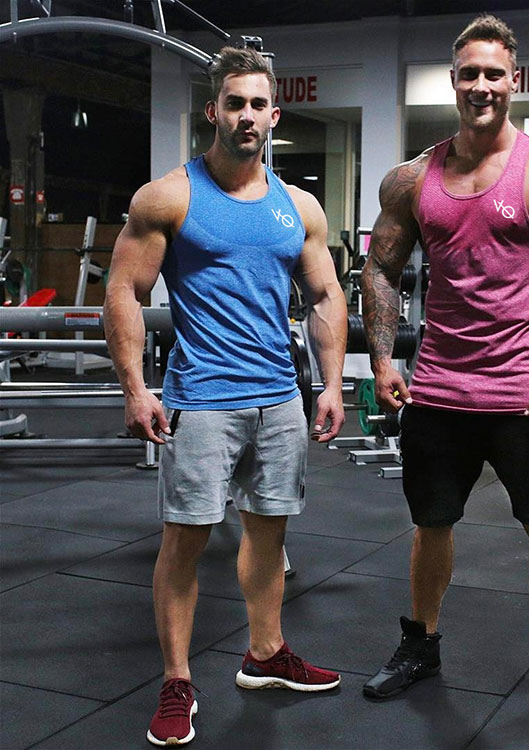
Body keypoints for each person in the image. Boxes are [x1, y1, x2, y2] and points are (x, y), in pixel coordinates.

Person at [360, 15, 529, 734]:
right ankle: (421, 644)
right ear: (453, 80)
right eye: (469, 73)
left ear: (514, 80)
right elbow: (380, 266)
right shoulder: (413, 178)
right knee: (430, 525)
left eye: (493, 74)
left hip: (522, 394)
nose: (481, 86)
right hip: (439, 389)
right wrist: (382, 358)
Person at [103, 46, 348, 747]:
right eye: (234, 103)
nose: (246, 115)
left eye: (258, 104)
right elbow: (123, 290)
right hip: (203, 398)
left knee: (270, 532)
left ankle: (265, 654)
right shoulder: (169, 197)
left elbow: (325, 294)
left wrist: (332, 385)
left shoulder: (297, 206)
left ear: (275, 115)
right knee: (185, 540)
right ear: (213, 110)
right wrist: (135, 388)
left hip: (279, 398)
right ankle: (177, 681)